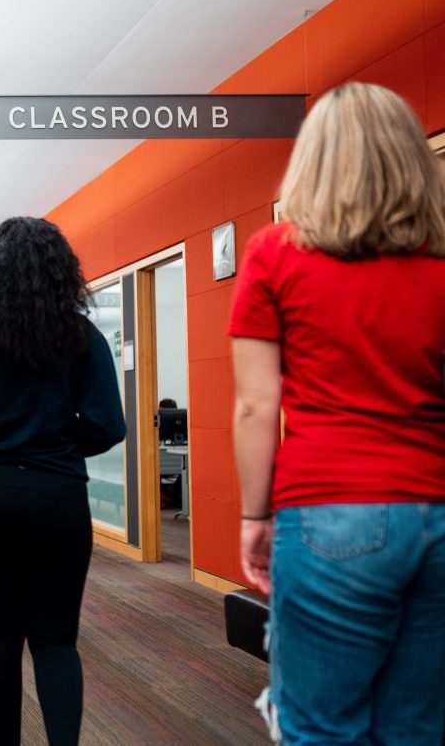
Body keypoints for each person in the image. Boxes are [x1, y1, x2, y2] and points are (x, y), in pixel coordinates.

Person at [230, 82, 445, 745]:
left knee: (323, 729)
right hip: (437, 507)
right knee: (416, 729)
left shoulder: (275, 252)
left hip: (330, 513)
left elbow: (256, 404)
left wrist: (254, 516)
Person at [0, 216, 126, 745]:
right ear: (61, 273)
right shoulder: (82, 338)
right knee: (57, 640)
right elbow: (108, 425)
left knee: (2, 633)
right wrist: (56, 443)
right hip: (58, 498)